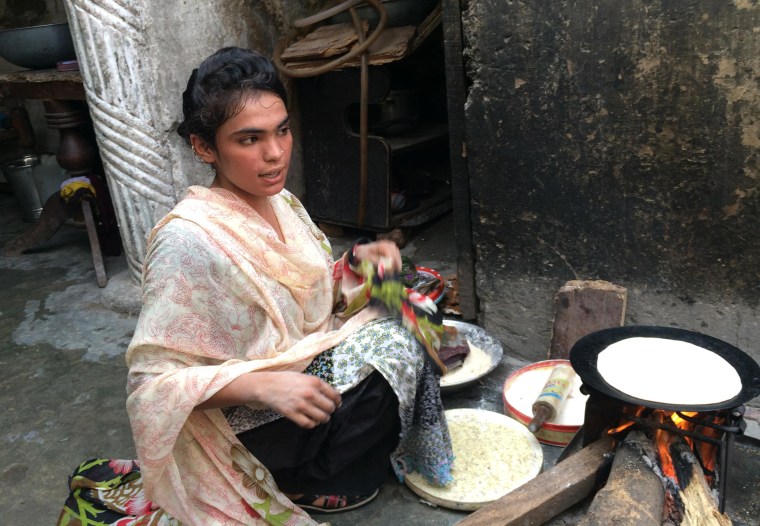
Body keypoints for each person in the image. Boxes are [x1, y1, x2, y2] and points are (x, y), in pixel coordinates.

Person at [100, 46, 453, 525]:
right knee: (400, 340)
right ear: (204, 147)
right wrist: (263, 386)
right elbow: (151, 386)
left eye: (282, 130)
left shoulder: (282, 201)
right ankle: (302, 478)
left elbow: (303, 293)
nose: (274, 153)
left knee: (413, 294)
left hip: (300, 365)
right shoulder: (187, 240)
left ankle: (329, 454)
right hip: (250, 412)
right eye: (249, 139)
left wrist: (356, 266)